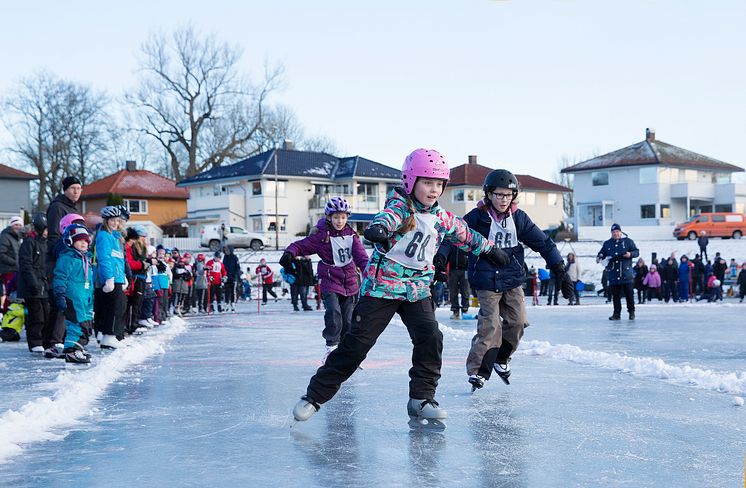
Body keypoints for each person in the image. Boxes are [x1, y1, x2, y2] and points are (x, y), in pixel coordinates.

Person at [292, 148, 506, 426]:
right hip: (383, 288)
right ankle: (314, 396)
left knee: (431, 338)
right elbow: (386, 219)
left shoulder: (441, 217)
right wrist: (377, 230)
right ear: (410, 181)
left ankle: (421, 398)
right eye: (427, 182)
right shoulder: (400, 208)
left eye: (439, 184)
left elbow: (466, 235)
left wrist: (490, 251)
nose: (434, 190)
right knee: (357, 345)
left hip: (417, 290)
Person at [440, 168, 572, 391]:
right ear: (489, 194)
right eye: (498, 194)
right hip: (485, 281)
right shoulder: (476, 217)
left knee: (518, 322)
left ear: (514, 196)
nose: (503, 199)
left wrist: (559, 268)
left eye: (508, 195)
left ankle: (502, 358)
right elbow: (452, 233)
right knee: (490, 326)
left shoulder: (518, 219)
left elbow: (543, 243)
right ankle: (479, 371)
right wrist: (441, 257)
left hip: (511, 279)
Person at [281, 197, 368, 360]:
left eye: (343, 217)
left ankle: (345, 351)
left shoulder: (352, 236)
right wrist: (289, 253)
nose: (340, 221)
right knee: (333, 313)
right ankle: (331, 347)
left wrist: (370, 275)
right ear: (329, 217)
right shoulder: (321, 236)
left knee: (348, 319)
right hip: (329, 278)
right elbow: (301, 245)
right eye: (336, 217)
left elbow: (362, 258)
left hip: (350, 280)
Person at [53, 224, 95, 363]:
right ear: (71, 241)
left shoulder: (86, 259)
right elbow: (60, 276)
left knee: (86, 325)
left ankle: (79, 347)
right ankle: (71, 351)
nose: (83, 243)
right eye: (79, 240)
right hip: (72, 297)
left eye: (86, 240)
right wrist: (60, 294)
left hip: (85, 298)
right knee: (75, 325)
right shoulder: (67, 258)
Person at [93, 206, 128, 349]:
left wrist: (124, 276)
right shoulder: (104, 236)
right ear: (106, 221)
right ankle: (109, 335)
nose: (115, 223)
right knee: (114, 308)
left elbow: (119, 259)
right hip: (111, 277)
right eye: (112, 220)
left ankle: (110, 335)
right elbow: (104, 258)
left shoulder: (115, 237)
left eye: (117, 220)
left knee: (118, 306)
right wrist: (109, 278)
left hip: (118, 276)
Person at [17, 213, 49, 353]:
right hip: (32, 287)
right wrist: (32, 283)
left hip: (43, 285)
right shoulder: (29, 242)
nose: (48, 232)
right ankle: (35, 341)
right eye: (46, 229)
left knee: (46, 314)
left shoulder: (44, 243)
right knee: (37, 315)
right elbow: (26, 265)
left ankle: (44, 340)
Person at [596, 223, 639, 320]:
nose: (615, 234)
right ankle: (616, 314)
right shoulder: (607, 243)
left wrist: (630, 254)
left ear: (620, 232)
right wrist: (599, 257)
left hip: (626, 274)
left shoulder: (628, 242)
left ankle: (631, 312)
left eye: (617, 231)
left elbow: (636, 252)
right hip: (613, 274)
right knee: (615, 296)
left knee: (629, 295)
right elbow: (602, 252)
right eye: (613, 232)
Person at [434, 244, 471, 319]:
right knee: (453, 291)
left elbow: (471, 256)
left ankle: (465, 309)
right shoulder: (452, 244)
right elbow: (446, 256)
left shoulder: (466, 243)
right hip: (453, 270)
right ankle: (455, 310)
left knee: (465, 290)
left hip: (465, 270)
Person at [0, 215, 23, 309]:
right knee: (9, 292)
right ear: (11, 225)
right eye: (16, 224)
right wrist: (14, 262)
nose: (18, 227)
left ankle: (11, 310)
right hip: (8, 270)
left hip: (15, 269)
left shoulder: (17, 238)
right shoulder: (5, 236)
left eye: (20, 225)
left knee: (13, 292)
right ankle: (6, 311)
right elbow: (1, 253)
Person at [222, 245, 240, 312]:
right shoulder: (225, 257)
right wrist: (224, 276)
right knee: (226, 292)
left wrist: (235, 276)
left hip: (233, 278)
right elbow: (223, 267)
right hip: (227, 278)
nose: (226, 252)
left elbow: (237, 268)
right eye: (225, 250)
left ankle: (233, 304)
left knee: (233, 292)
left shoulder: (235, 258)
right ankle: (226, 304)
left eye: (227, 250)